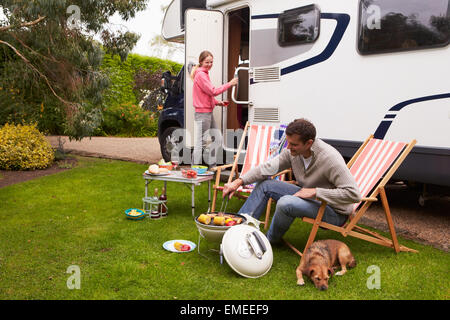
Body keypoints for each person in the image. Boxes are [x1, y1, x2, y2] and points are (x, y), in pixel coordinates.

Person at [222, 118, 362, 244]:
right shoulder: (293, 153)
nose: (288, 147)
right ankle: (238, 231)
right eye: (288, 142)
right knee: (265, 185)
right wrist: (238, 181)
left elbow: (354, 194)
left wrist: (315, 192)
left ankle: (268, 241)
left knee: (286, 202)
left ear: (309, 143)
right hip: (311, 199)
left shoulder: (330, 159)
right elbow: (267, 169)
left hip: (334, 212)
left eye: (293, 144)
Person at [191, 50, 238, 165]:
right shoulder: (201, 75)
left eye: (211, 62)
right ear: (201, 62)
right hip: (203, 114)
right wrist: (230, 84)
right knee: (200, 143)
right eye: (207, 62)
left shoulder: (204, 74)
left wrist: (217, 103)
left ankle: (212, 166)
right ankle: (193, 171)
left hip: (207, 113)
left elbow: (205, 94)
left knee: (217, 139)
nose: (210, 64)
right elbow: (212, 91)